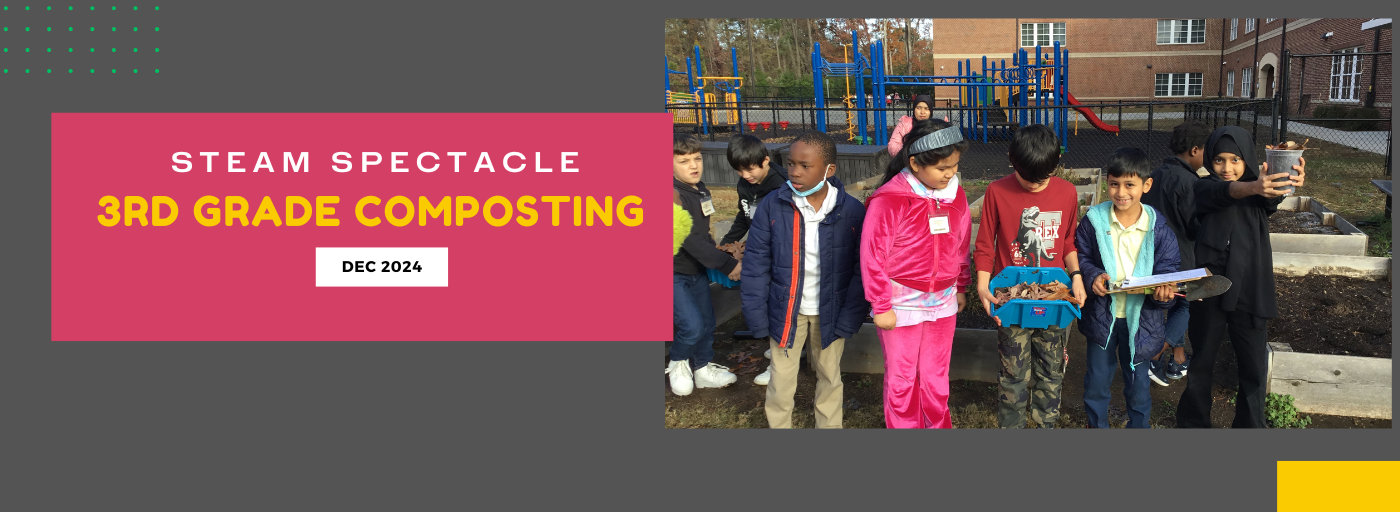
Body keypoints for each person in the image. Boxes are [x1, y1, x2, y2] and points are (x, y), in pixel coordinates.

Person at [1176, 126, 1306, 428]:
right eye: (1219, 160)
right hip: (1209, 285)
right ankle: (1193, 425)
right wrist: (1253, 187)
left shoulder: (1260, 191)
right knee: (1202, 362)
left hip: (1251, 286)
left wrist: (1288, 177)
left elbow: (1272, 195)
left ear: (1246, 158)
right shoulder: (1204, 188)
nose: (1227, 167)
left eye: (1235, 160)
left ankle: (1250, 428)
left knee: (1252, 366)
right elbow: (1226, 193)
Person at [740, 131, 867, 428]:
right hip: (786, 312)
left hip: (830, 313)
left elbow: (862, 271)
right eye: (791, 163)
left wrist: (851, 315)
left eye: (805, 166)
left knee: (829, 376)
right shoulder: (774, 205)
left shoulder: (851, 211)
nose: (794, 172)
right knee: (781, 380)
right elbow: (756, 264)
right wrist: (757, 317)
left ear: (829, 170)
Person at [974, 124, 1087, 429]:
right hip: (1012, 300)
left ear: (1056, 165)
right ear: (1012, 159)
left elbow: (1067, 242)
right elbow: (985, 245)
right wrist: (983, 286)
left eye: (1044, 178)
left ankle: (1044, 425)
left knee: (1052, 371)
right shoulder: (997, 191)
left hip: (1054, 300)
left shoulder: (1067, 192)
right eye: (1029, 178)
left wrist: (1075, 276)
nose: (1036, 185)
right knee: (1013, 375)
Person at [861, 119, 972, 428]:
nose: (950, 173)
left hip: (943, 303)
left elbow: (961, 245)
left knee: (936, 374)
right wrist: (880, 306)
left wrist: (961, 285)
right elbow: (873, 255)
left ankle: (937, 425)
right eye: (942, 168)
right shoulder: (891, 199)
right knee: (902, 377)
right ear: (915, 163)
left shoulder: (955, 196)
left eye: (954, 165)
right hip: (900, 305)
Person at [1074, 148, 1180, 428]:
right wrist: (1092, 275)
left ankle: (1139, 428)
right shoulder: (1094, 221)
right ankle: (1096, 426)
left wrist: (1164, 293)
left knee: (1138, 387)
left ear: (1146, 185)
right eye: (1114, 184)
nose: (1121, 192)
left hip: (1142, 322)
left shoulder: (1158, 230)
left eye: (1129, 184)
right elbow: (1080, 256)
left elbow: (1169, 270)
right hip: (1102, 318)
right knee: (1097, 382)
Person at [669, 133, 739, 396]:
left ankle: (702, 368)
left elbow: (704, 232)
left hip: (695, 270)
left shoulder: (699, 190)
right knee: (691, 325)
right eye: (684, 161)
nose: (694, 165)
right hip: (672, 272)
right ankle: (677, 363)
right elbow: (688, 238)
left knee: (707, 322)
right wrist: (725, 263)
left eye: (697, 158)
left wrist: (715, 252)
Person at [1140, 121, 1210, 385]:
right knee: (1185, 305)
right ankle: (1156, 354)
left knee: (1164, 305)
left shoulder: (1155, 175)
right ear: (1194, 150)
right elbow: (1194, 225)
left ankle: (1176, 361)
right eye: (1206, 151)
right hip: (1182, 256)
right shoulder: (1191, 182)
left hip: (1153, 256)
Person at [721, 134, 791, 385]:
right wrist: (727, 243)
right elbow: (744, 215)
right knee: (765, 304)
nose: (744, 175)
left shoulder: (781, 183)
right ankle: (781, 349)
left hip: (781, 255)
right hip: (760, 252)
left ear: (765, 161)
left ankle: (781, 361)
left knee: (779, 306)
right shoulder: (745, 184)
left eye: (749, 169)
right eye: (739, 170)